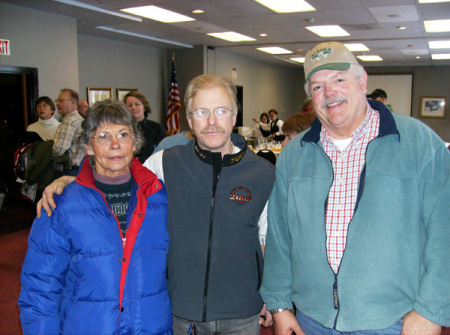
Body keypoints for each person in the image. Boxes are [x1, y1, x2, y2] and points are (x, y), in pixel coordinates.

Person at [38, 74, 275, 335]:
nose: (211, 121)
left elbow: (266, 241)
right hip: (180, 309)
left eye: (221, 111)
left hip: (241, 311)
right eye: (201, 112)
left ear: (234, 116)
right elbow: (116, 173)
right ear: (189, 119)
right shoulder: (163, 163)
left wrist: (268, 293)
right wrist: (70, 180)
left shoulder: (263, 173)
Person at [261, 41, 449, 335]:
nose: (329, 93)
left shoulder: (419, 143)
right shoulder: (295, 154)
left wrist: (430, 312)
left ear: (362, 81)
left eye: (339, 79)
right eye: (318, 87)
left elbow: (444, 235)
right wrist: (280, 305)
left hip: (395, 322)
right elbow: (279, 239)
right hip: (312, 320)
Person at [19, 100, 173, 334]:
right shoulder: (60, 204)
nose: (115, 145)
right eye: (102, 136)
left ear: (135, 142)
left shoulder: (159, 197)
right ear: (88, 146)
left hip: (150, 327)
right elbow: (40, 290)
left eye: (123, 134)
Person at [124, 91, 166, 162]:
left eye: (137, 104)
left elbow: (163, 153)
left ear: (144, 107)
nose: (133, 108)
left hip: (150, 167)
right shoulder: (122, 129)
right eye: (129, 105)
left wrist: (139, 160)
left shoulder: (156, 128)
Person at [52, 88, 85, 175]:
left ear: (73, 102)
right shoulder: (80, 119)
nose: (57, 103)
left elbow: (58, 150)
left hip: (71, 171)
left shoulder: (68, 122)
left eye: (61, 101)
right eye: (57, 100)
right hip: (82, 169)